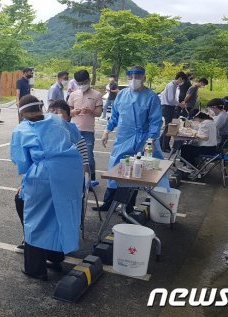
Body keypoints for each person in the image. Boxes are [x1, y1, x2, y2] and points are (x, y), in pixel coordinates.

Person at [10, 95, 83, 280]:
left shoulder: (22, 130)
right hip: (70, 172)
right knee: (60, 213)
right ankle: (55, 257)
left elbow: (22, 162)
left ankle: (35, 269)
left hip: (44, 176)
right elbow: (76, 136)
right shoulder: (57, 120)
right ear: (41, 107)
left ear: (23, 112)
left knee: (36, 219)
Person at [97, 66, 165, 213]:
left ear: (144, 78)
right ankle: (107, 203)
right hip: (123, 138)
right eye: (131, 77)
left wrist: (151, 139)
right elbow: (114, 115)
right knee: (114, 169)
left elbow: (155, 121)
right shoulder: (122, 95)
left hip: (142, 140)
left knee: (134, 174)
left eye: (138, 77)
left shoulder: (151, 97)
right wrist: (107, 130)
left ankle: (128, 207)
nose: (134, 80)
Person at [68, 69, 103, 182]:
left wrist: (90, 111)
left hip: (88, 131)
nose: (82, 85)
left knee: (88, 157)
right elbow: (68, 111)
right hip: (74, 130)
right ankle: (76, 178)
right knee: (72, 156)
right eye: (79, 83)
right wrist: (73, 112)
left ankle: (91, 180)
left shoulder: (96, 95)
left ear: (88, 80)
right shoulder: (73, 95)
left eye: (83, 83)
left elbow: (99, 113)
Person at [159, 72, 187, 153]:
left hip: (168, 107)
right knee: (169, 127)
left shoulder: (174, 85)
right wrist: (180, 105)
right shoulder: (171, 86)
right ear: (180, 78)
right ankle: (165, 147)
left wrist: (178, 104)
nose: (182, 83)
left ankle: (161, 144)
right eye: (183, 81)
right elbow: (171, 99)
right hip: (168, 107)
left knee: (168, 127)